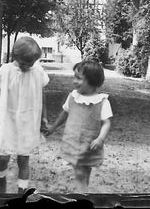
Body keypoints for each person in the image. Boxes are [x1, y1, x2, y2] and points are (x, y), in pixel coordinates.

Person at [0, 36, 50, 193]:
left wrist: (44, 117)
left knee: (23, 158)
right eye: (26, 64)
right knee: (3, 157)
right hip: (8, 120)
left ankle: (21, 191)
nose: (29, 66)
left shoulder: (37, 71)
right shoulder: (6, 70)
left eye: (32, 63)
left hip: (28, 121)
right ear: (15, 57)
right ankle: (1, 177)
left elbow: (42, 94)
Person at [45, 60, 112, 193]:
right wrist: (52, 127)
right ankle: (83, 194)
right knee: (80, 172)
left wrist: (100, 139)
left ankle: (83, 192)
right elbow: (63, 115)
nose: (74, 81)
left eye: (79, 78)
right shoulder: (73, 97)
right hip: (73, 142)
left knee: (86, 170)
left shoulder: (102, 101)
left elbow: (106, 122)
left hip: (89, 144)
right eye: (74, 77)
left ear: (92, 81)